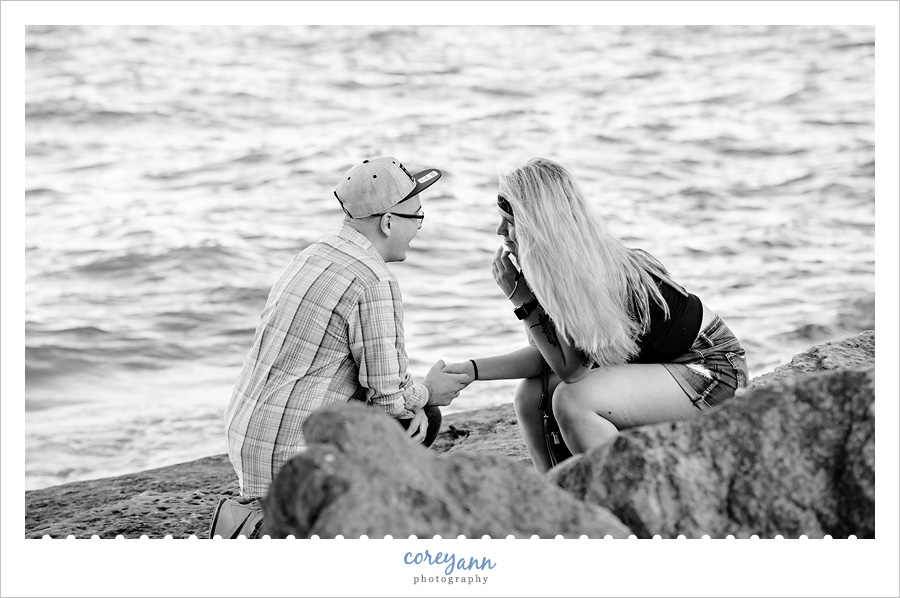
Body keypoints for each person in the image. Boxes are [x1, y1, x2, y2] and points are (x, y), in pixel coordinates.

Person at [445, 157, 749, 473]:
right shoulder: (552, 267)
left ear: (540, 223)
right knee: (532, 393)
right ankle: (562, 497)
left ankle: (627, 494)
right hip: (666, 369)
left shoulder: (585, 272)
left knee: (571, 400)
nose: (500, 231)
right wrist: (471, 370)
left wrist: (520, 299)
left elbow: (572, 371)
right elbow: (547, 357)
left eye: (510, 221)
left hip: (711, 370)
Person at [223, 156, 473, 502]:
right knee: (422, 419)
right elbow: (389, 403)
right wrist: (430, 391)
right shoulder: (374, 280)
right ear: (388, 222)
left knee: (407, 410)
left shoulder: (312, 256)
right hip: (293, 462)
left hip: (248, 443)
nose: (419, 227)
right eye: (417, 216)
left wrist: (410, 395)